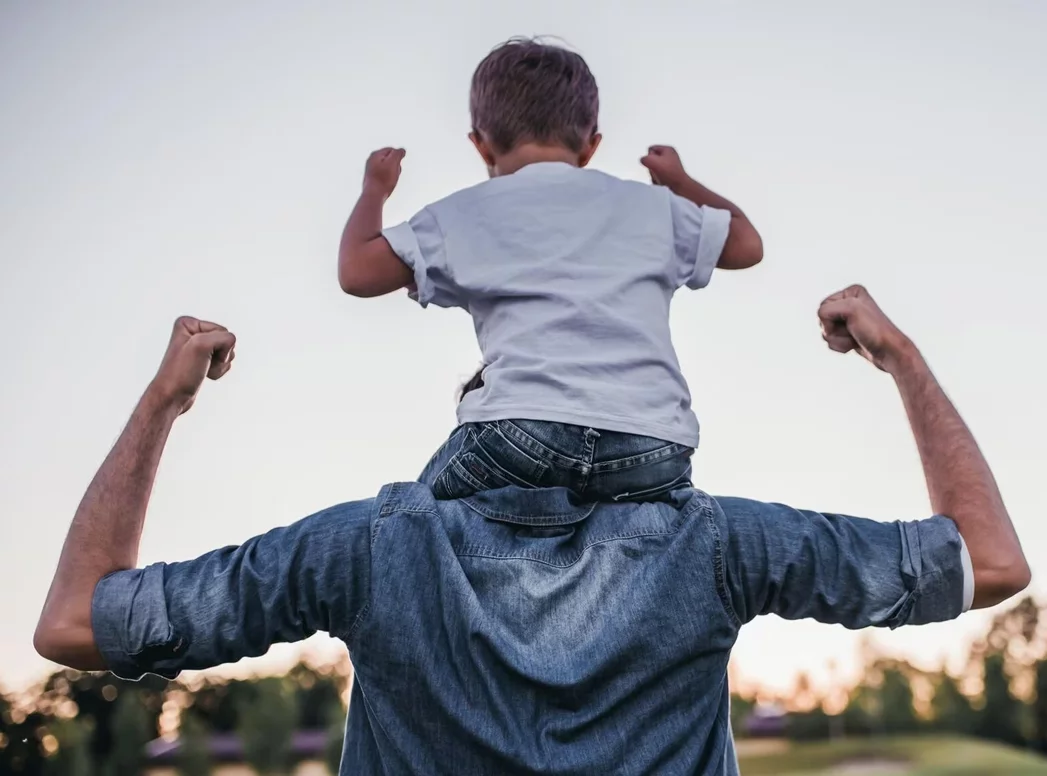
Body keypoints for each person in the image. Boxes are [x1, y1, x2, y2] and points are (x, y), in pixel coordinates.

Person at [35, 286, 1029, 775]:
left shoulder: (372, 547)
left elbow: (77, 620)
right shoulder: (715, 544)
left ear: (476, 408)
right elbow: (991, 561)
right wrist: (900, 358)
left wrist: (164, 402)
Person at [337, 38, 763, 503]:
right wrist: (679, 182)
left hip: (522, 436)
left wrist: (374, 190)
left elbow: (357, 272)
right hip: (653, 446)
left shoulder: (464, 214)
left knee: (414, 519)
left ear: (480, 145)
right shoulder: (652, 207)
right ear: (591, 145)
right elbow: (747, 245)